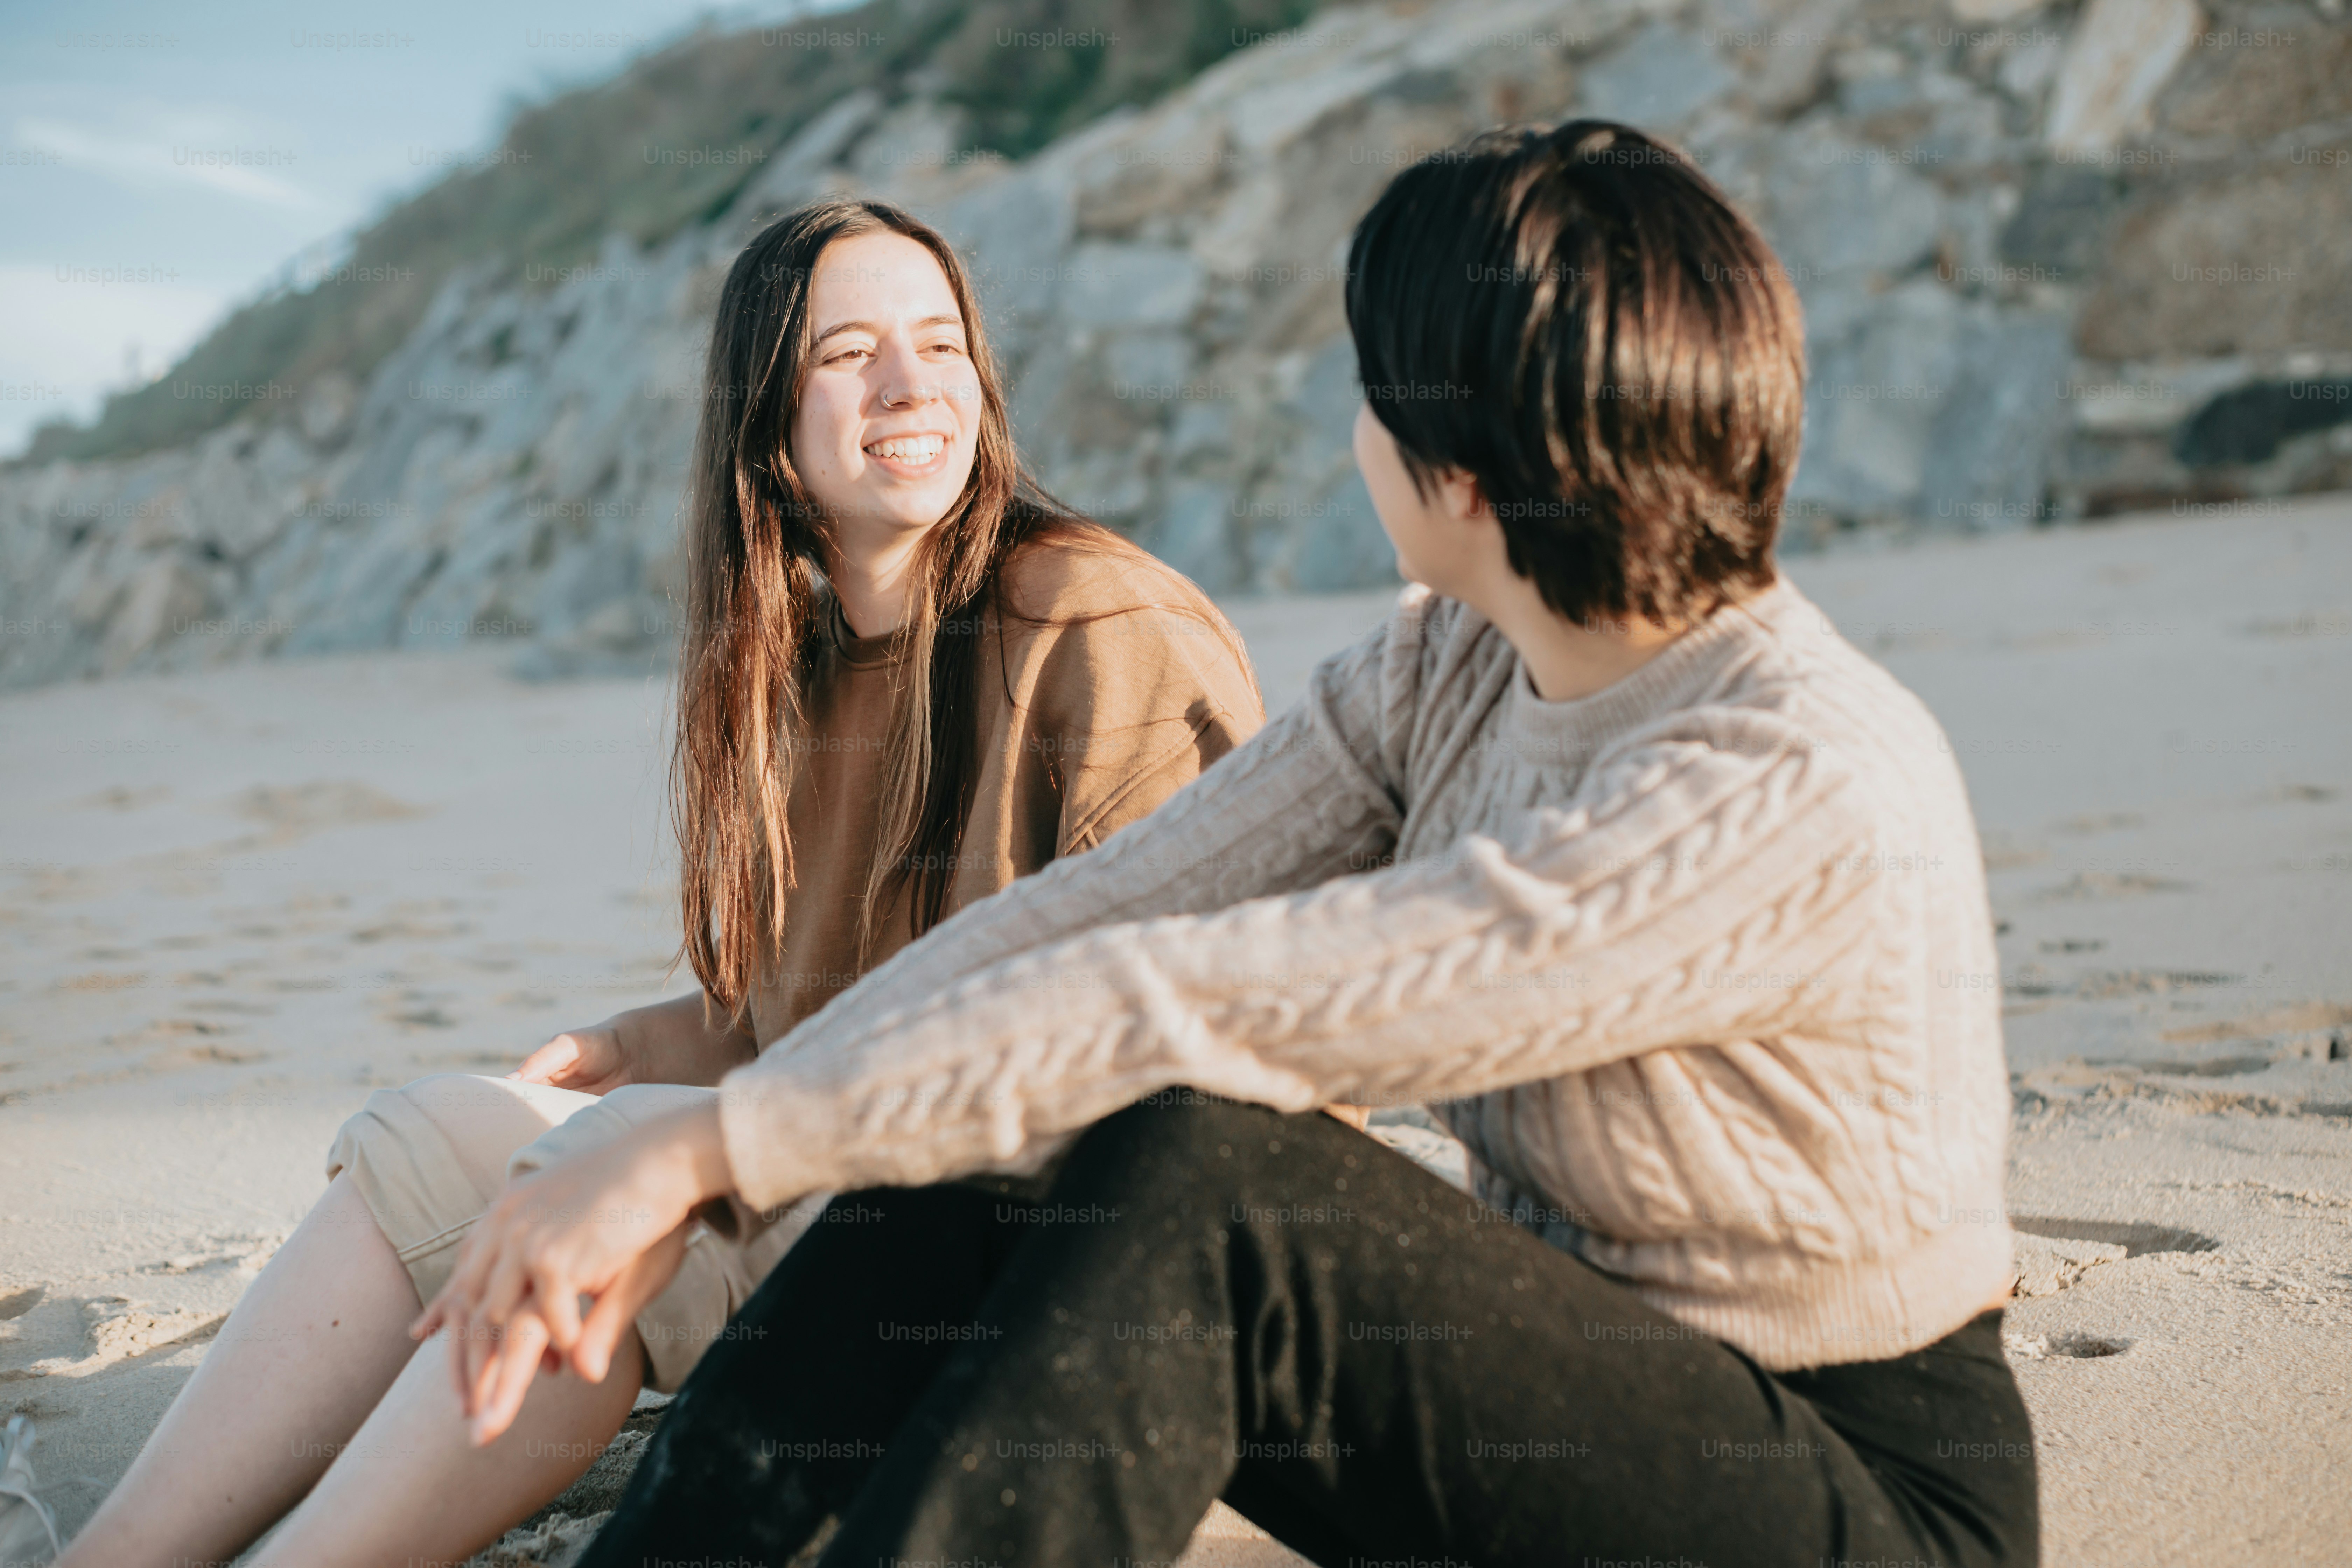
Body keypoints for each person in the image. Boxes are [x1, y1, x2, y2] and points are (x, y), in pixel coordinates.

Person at [423, 120, 2040, 1568]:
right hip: (1595, 1404)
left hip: (1860, 1491)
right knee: (1011, 1150)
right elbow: (1095, 914)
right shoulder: (1455, 660)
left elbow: (1202, 999)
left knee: (1202, 1169)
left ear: (1461, 466)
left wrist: (712, 1146)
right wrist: (706, 1129)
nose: (1354, 434)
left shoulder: (1785, 781)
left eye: (1368, 392)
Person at [54, 197, 1273, 1568]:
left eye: (942, 344)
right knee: (435, 1130)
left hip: (1019, 1241)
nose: (912, 384)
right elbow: (818, 1011)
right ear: (769, 421)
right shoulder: (804, 674)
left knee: (603, 1212)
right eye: (848, 350)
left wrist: (697, 1139)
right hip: (837, 1163)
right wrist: (644, 1046)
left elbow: (1202, 1051)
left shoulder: (1098, 621)